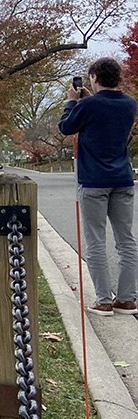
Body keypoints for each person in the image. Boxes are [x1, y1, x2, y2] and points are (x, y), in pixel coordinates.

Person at [58, 57, 138, 316]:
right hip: (123, 179)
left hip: (93, 181)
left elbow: (66, 127)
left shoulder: (88, 105)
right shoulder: (129, 103)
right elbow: (106, 114)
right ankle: (127, 299)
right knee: (126, 240)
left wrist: (72, 100)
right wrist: (90, 99)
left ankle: (103, 299)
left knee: (96, 241)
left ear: (93, 77)